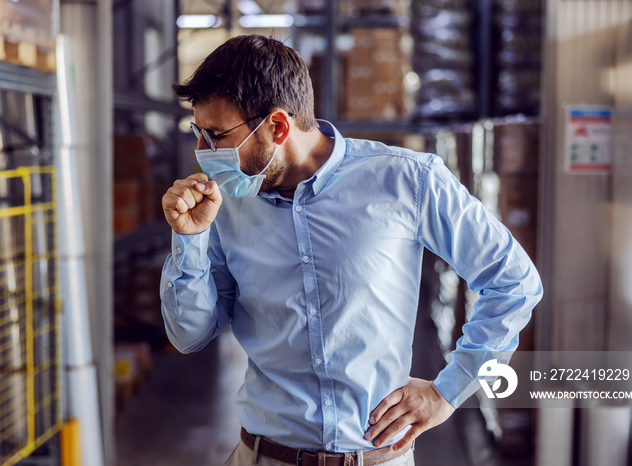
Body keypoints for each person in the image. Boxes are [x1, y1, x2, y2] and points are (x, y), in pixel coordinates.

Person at [160, 34, 543, 466]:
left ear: (278, 127)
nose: (201, 153)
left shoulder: (407, 181)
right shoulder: (223, 206)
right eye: (198, 134)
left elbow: (514, 281)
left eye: (215, 136)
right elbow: (188, 336)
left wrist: (447, 391)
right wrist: (188, 239)